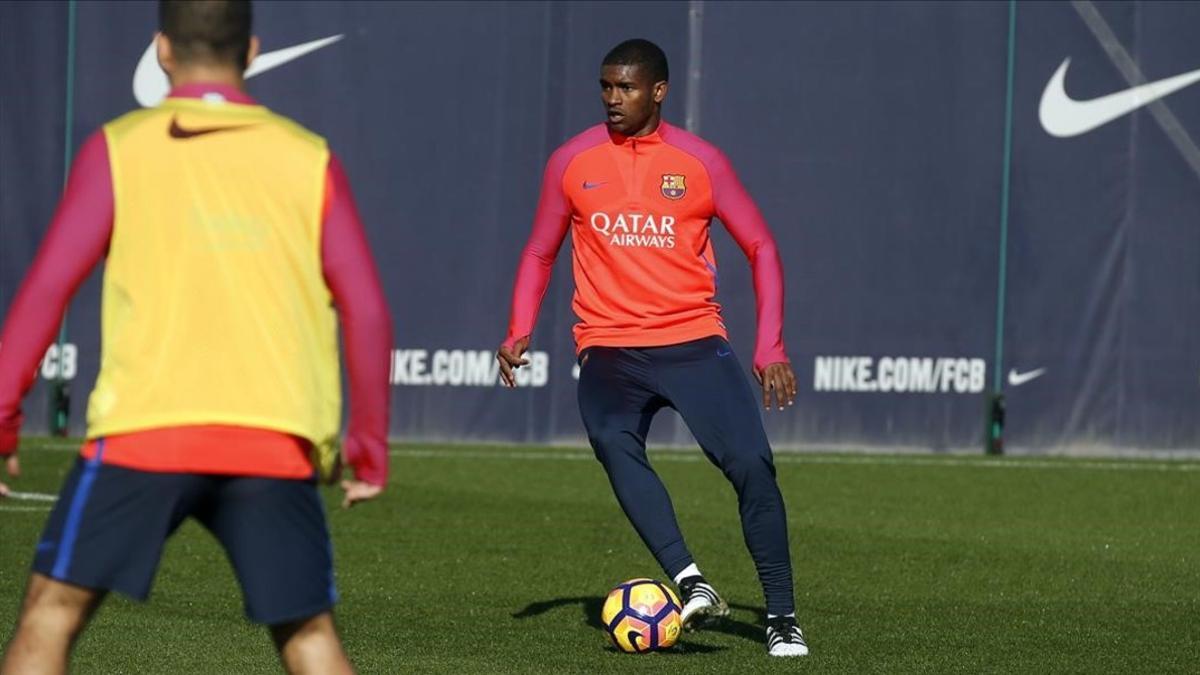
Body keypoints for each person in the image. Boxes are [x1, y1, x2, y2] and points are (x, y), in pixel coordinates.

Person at [0, 2, 392, 672]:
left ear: (161, 50)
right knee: (309, 637)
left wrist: (4, 417)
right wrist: (367, 443)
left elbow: (44, 292)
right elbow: (367, 309)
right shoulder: (307, 157)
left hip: (146, 429)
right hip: (272, 435)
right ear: (252, 51)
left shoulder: (118, 147)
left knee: (49, 615)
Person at [496, 38, 808, 657]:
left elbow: (762, 247)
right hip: (610, 345)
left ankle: (781, 616)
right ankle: (691, 583)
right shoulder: (571, 160)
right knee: (613, 441)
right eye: (607, 87)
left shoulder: (700, 162)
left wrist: (769, 344)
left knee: (751, 467)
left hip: (694, 340)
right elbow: (539, 250)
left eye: (627, 88)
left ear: (659, 91)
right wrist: (518, 328)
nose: (614, 99)